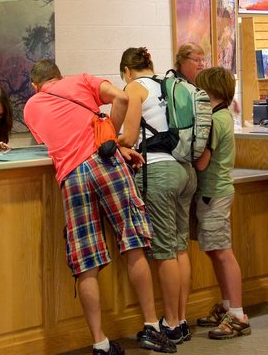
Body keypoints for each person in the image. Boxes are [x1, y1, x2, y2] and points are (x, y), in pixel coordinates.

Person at [24, 60, 176, 355]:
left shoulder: (31, 106)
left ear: (35, 86)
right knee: (133, 243)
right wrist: (113, 140)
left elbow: (53, 140)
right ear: (60, 75)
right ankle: (151, 329)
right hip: (106, 163)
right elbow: (122, 98)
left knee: (86, 262)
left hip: (71, 176)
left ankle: (100, 344)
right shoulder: (80, 79)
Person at [113, 47, 197, 345]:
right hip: (185, 171)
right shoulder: (167, 84)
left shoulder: (134, 88)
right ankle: (182, 319)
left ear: (126, 70)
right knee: (179, 247)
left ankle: (171, 323)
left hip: (158, 173)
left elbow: (129, 135)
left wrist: (112, 139)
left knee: (163, 251)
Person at [191, 66, 251, 339]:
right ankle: (228, 306)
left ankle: (238, 314)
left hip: (214, 191)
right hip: (215, 190)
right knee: (215, 249)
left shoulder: (215, 120)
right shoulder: (223, 115)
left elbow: (202, 161)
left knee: (223, 251)